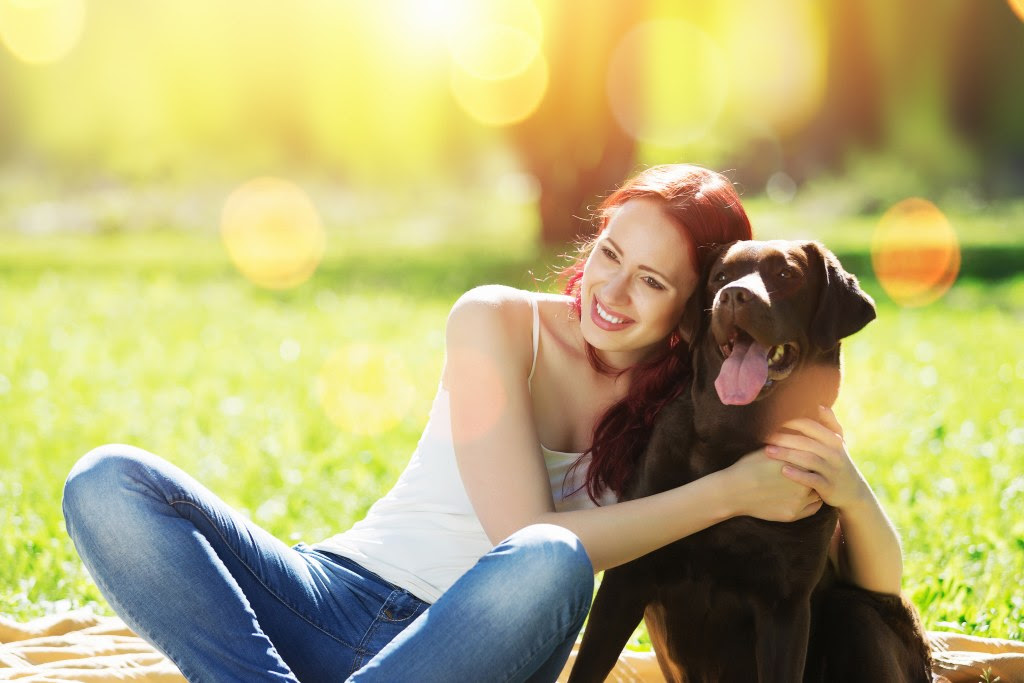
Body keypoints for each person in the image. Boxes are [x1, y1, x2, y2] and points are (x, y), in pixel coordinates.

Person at [62, 164, 903, 683]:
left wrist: (848, 488)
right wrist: (729, 494)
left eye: (650, 282)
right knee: (107, 477)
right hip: (331, 597)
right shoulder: (496, 320)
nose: (608, 292)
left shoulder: (701, 410)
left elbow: (875, 579)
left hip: (487, 650)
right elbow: (518, 523)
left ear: (692, 315)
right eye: (608, 253)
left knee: (548, 562)